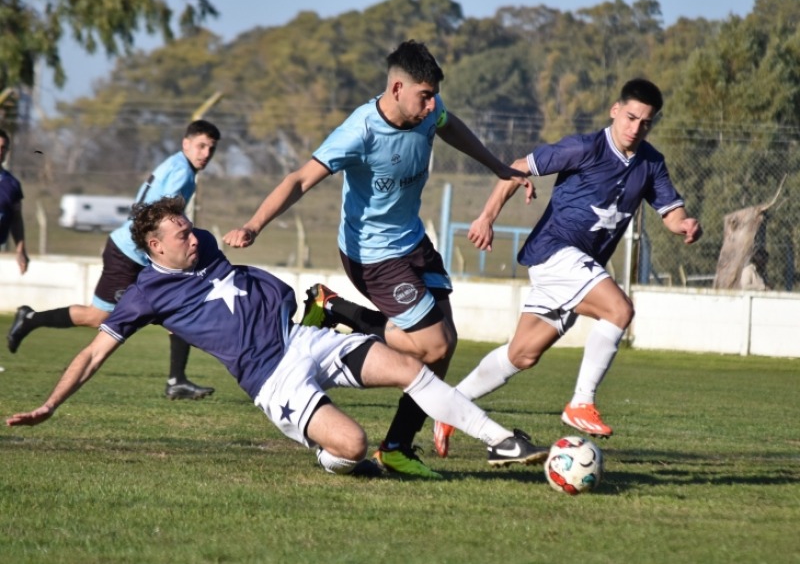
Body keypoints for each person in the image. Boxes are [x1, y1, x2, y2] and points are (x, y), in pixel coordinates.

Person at [5, 196, 549, 479]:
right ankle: (330, 456)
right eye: (181, 234)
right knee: (352, 447)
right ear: (155, 247)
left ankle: (501, 440)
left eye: (190, 228)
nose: (193, 237)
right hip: (272, 380)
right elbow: (93, 354)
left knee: (410, 367)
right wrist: (50, 404)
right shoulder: (144, 296)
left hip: (303, 337)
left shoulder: (205, 244)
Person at [223, 40, 531, 479]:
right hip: (372, 255)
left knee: (444, 347)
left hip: (413, 241)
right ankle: (337, 310)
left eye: (434, 97)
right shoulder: (360, 131)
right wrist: (254, 225)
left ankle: (398, 446)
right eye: (425, 96)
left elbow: (450, 125)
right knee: (432, 344)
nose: (432, 106)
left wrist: (496, 165)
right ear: (398, 88)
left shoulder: (428, 110)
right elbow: (300, 179)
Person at [432, 78, 703, 456]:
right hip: (555, 251)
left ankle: (449, 408)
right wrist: (486, 217)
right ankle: (581, 402)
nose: (636, 128)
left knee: (522, 355)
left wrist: (685, 224)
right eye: (630, 117)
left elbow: (670, 212)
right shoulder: (584, 148)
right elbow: (518, 167)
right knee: (619, 310)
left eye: (645, 122)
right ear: (615, 110)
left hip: (576, 267)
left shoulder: (651, 162)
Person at [6, 120, 220, 400]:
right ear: (186, 143)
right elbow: (163, 216)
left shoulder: (174, 164)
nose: (206, 153)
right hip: (131, 253)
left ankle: (176, 380)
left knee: (177, 305)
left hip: (138, 250)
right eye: (201, 146)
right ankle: (31, 318)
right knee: (99, 317)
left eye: (211, 148)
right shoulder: (182, 173)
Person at [0, 128, 30, 275]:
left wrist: (20, 250)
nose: (0, 151)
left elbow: (16, 218)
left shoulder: (12, 184)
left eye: (3, 148)